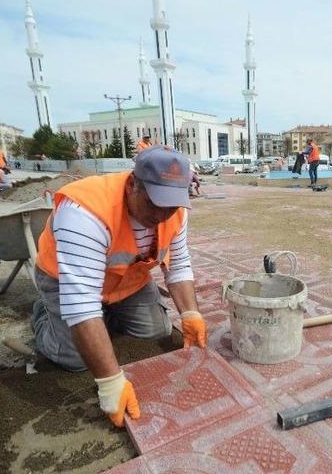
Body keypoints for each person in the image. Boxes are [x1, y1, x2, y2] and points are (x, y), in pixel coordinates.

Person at [31, 146, 207, 428]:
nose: (162, 214)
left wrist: (190, 313)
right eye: (154, 202)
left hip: (127, 281)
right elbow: (82, 304)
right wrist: (110, 382)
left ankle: (104, 318)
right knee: (75, 359)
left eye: (171, 205)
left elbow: (179, 264)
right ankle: (44, 314)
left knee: (156, 331)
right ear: (132, 184)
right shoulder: (85, 212)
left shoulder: (176, 212)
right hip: (67, 282)